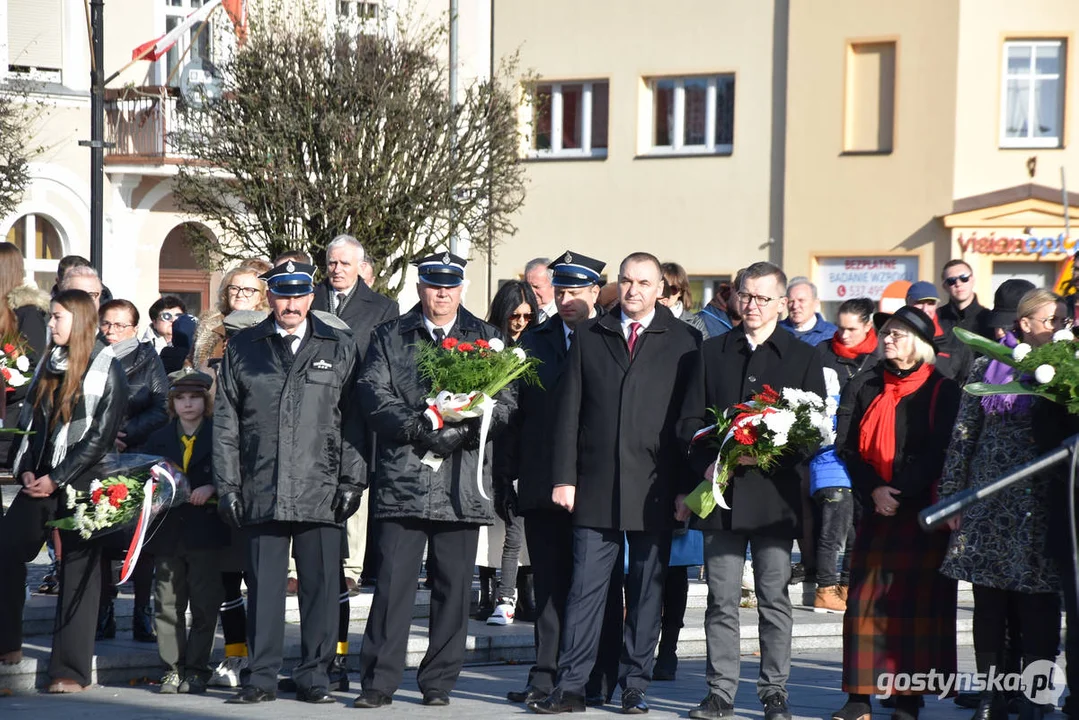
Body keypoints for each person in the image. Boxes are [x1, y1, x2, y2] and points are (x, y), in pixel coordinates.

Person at [528, 252, 700, 715]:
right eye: (626, 281)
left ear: (661, 288)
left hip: (654, 486)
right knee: (585, 588)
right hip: (596, 482)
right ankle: (571, 687)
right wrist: (564, 477)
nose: (633, 290)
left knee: (647, 591)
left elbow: (690, 421)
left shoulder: (684, 340)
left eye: (644, 282)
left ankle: (634, 684)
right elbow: (570, 412)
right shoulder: (591, 334)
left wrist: (686, 489)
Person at [353, 252, 516, 709]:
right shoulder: (390, 335)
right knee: (392, 586)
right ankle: (378, 683)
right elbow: (374, 394)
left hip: (461, 483)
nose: (441, 293)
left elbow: (505, 403)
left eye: (449, 285)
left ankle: (439, 682)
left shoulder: (487, 339)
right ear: (420, 286)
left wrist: (461, 430)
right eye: (432, 284)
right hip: (404, 478)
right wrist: (421, 428)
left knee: (453, 587)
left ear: (462, 287)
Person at [676, 262, 826, 720]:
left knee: (773, 599)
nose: (753, 305)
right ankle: (720, 691)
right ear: (735, 297)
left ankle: (774, 691)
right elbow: (688, 421)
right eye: (746, 295)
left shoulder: (802, 357)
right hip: (720, 496)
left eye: (763, 298)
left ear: (782, 303)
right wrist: (708, 463)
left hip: (774, 500)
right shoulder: (712, 351)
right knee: (720, 598)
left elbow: (814, 431)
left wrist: (763, 455)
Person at [214, 260, 364, 705]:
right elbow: (226, 423)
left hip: (321, 487)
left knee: (319, 586)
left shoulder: (338, 345)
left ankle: (315, 676)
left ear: (311, 297)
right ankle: (260, 678)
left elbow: (354, 420)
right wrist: (227, 486)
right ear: (270, 297)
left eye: (299, 294)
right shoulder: (244, 347)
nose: (291, 303)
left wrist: (352, 479)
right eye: (282, 294)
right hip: (262, 483)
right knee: (262, 589)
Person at [503, 250, 625, 707]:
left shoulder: (612, 339)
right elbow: (515, 416)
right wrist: (507, 476)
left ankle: (598, 676)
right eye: (561, 290)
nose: (568, 299)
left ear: (596, 291)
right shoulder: (535, 341)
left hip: (597, 484)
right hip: (542, 481)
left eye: (578, 290)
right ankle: (545, 675)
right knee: (550, 584)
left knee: (599, 587)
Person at [938, 289, 1066, 720]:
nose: (1058, 327)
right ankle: (993, 695)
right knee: (989, 604)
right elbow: (963, 436)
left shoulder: (1067, 370)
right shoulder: (984, 366)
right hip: (987, 501)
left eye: (1061, 320)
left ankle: (1035, 696)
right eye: (1050, 319)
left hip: (1040, 502)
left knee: (1039, 604)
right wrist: (954, 495)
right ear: (1025, 323)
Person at [831, 305, 961, 720]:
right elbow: (847, 446)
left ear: (920, 345)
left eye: (899, 334)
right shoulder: (866, 384)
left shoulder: (941, 390)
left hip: (922, 511)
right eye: (887, 333)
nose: (888, 340)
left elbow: (940, 451)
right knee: (864, 602)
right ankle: (858, 695)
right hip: (874, 508)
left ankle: (908, 697)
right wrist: (874, 490)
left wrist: (900, 491)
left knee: (916, 607)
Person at [0, 289, 129, 691]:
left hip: (83, 481)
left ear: (78, 318)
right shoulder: (47, 364)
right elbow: (34, 425)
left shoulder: (108, 368)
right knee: (6, 550)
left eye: (57, 317)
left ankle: (69, 671)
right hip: (38, 479)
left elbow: (98, 438)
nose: (51, 324)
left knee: (80, 570)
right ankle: (7, 645)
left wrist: (58, 478)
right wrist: (25, 470)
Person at [144, 369, 225, 695]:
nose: (188, 404)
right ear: (172, 403)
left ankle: (197, 669)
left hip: (206, 531)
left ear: (205, 402)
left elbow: (236, 474)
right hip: (169, 532)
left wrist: (213, 487)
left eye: (194, 398)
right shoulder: (158, 438)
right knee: (167, 602)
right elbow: (144, 479)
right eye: (181, 398)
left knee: (205, 605)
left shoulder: (219, 435)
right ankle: (171, 669)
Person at [93, 298, 170, 643]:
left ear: (135, 329)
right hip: (94, 456)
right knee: (102, 538)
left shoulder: (146, 358)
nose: (112, 331)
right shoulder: (91, 354)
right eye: (107, 324)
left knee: (141, 540)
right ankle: (103, 613)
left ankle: (143, 616)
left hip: (136, 455)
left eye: (120, 325)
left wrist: (128, 433)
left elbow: (162, 405)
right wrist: (105, 437)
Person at [653, 260, 708, 681]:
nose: (663, 295)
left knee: (673, 567)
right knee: (638, 567)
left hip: (680, 459)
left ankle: (668, 647)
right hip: (643, 462)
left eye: (670, 289)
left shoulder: (695, 336)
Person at [811, 298, 879, 613]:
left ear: (868, 326)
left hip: (865, 453)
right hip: (828, 454)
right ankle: (825, 587)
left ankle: (846, 586)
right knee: (834, 523)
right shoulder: (822, 353)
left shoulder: (879, 357)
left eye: (852, 329)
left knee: (857, 528)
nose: (844, 335)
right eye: (840, 327)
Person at [481, 279, 539, 625]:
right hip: (493, 446)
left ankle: (518, 594)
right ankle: (494, 594)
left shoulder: (536, 344)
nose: (519, 322)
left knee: (519, 529)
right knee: (495, 529)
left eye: (527, 316)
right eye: (514, 315)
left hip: (526, 446)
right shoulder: (489, 345)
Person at [191, 264, 269, 372]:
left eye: (248, 290)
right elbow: (190, 362)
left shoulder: (269, 327)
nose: (240, 294)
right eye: (234, 288)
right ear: (226, 292)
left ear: (261, 296)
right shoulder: (208, 325)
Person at [905, 280, 972, 383]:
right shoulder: (895, 335)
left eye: (930, 303)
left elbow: (966, 378)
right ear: (907, 302)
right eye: (919, 303)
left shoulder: (954, 338)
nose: (925, 309)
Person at [937, 260, 993, 341]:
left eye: (964, 278)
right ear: (944, 286)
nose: (958, 284)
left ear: (973, 280)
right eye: (951, 281)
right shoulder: (936, 319)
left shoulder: (989, 319)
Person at [780, 278, 837, 346]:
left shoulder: (832, 334)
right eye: (791, 301)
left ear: (816, 303)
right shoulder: (776, 331)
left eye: (801, 300)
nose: (795, 306)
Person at [659, 262, 709, 339]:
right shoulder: (643, 317)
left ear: (681, 292)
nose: (667, 294)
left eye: (673, 289)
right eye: (663, 288)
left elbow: (703, 349)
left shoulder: (695, 323)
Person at [525, 257, 557, 323]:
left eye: (536, 287)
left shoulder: (563, 316)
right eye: (527, 286)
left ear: (553, 285)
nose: (531, 292)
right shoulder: (523, 314)